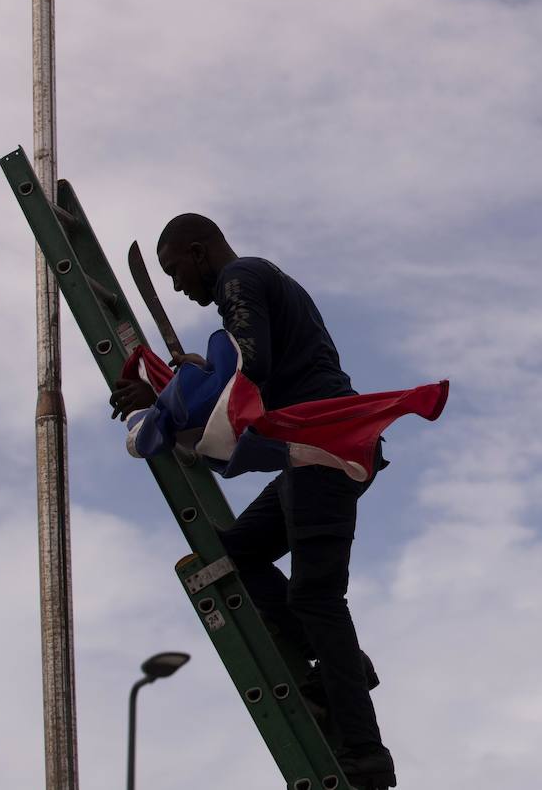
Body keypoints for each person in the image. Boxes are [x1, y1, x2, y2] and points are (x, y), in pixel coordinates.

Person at [109, 213, 396, 788]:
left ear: (198, 250)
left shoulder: (240, 278)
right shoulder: (259, 285)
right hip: (309, 453)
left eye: (174, 270)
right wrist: (190, 378)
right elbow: (244, 367)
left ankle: (366, 755)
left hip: (325, 448)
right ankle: (336, 661)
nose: (176, 286)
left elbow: (250, 367)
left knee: (318, 596)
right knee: (237, 552)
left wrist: (166, 398)